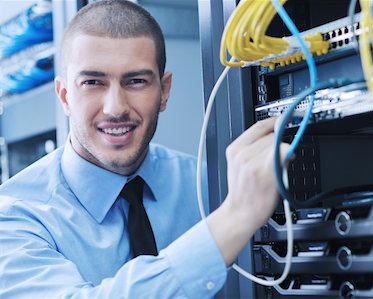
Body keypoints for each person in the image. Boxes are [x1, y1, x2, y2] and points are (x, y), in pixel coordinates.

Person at [0, 1, 288, 298]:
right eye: (93, 82)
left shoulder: (208, 184)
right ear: (64, 96)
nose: (116, 108)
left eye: (136, 81)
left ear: (164, 91)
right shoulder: (15, 216)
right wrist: (235, 218)